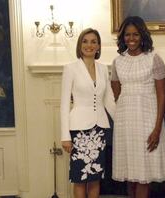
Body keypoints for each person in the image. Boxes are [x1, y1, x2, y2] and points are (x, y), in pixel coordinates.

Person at [110, 16, 165, 198]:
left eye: (135, 34)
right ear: (123, 37)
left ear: (142, 35)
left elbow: (161, 96)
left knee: (143, 173)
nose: (131, 38)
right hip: (126, 122)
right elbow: (116, 94)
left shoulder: (154, 59)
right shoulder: (117, 61)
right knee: (130, 173)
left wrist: (157, 128)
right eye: (127, 35)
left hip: (148, 120)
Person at [60, 28, 115, 198]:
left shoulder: (103, 69)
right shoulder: (70, 68)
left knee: (95, 176)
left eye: (93, 41)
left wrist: (122, 121)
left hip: (99, 130)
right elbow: (63, 104)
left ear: (98, 46)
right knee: (80, 177)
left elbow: (109, 101)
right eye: (85, 41)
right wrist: (65, 136)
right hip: (78, 131)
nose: (89, 45)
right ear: (80, 45)